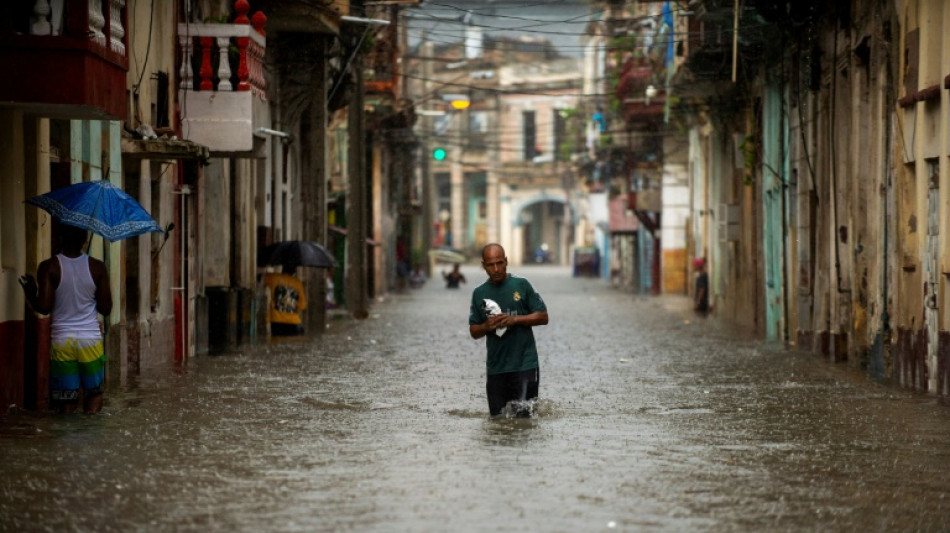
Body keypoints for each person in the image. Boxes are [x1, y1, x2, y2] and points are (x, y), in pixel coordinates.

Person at [19, 223, 113, 414]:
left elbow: (44, 308)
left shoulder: (49, 267)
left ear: (60, 239)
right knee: (93, 395)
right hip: (90, 342)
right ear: (84, 241)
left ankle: (67, 441)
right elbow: (106, 308)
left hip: (62, 341)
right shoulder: (98, 267)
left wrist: (31, 294)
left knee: (65, 402)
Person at [469, 243, 549, 417]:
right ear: (484, 266)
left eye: (499, 263)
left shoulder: (522, 285)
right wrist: (486, 326)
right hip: (496, 369)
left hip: (525, 365)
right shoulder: (479, 294)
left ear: (506, 262)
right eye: (490, 265)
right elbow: (474, 331)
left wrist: (515, 319)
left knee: (524, 421)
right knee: (497, 421)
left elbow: (543, 316)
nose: (496, 269)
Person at [263, 266, 307, 335]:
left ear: (283, 269)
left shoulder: (274, 278)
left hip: (276, 321)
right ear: (294, 271)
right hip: (293, 322)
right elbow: (302, 306)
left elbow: (263, 278)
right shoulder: (298, 283)